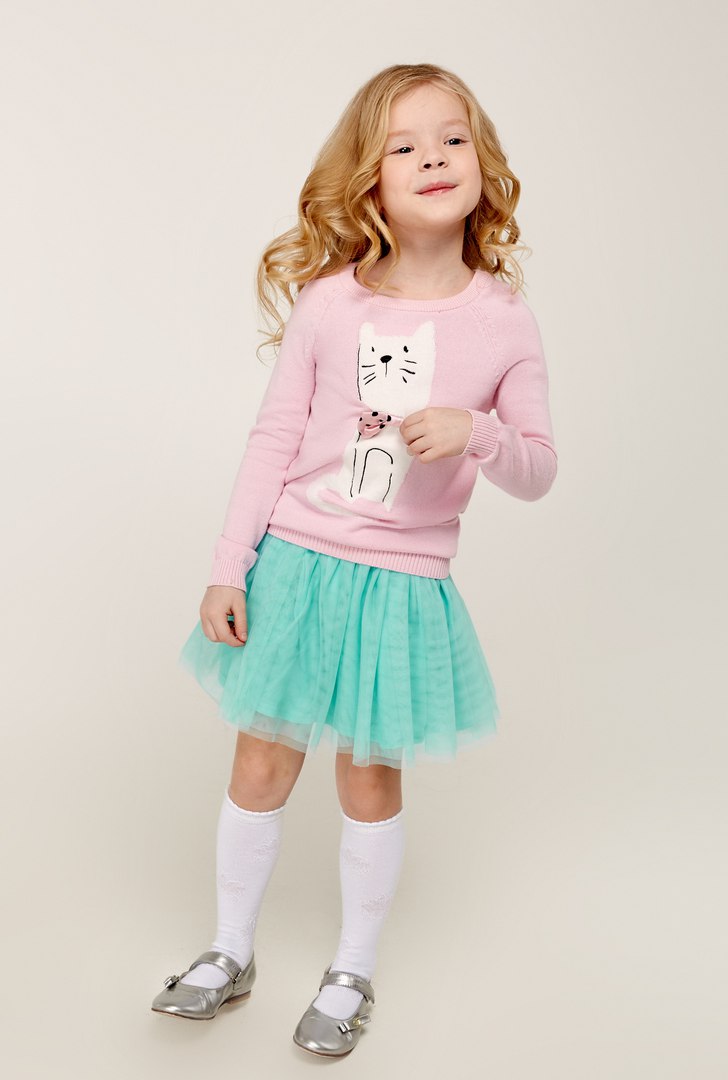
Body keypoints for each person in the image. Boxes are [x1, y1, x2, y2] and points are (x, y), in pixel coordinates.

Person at [150, 62, 557, 1057]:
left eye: (451, 139)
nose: (432, 158)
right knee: (259, 760)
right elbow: (274, 437)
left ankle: (350, 972)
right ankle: (229, 949)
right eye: (403, 146)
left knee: (368, 780)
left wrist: (476, 432)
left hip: (402, 584)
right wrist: (229, 563)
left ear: (482, 162)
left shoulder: (503, 321)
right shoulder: (332, 304)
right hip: (294, 564)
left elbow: (539, 469)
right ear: (370, 177)